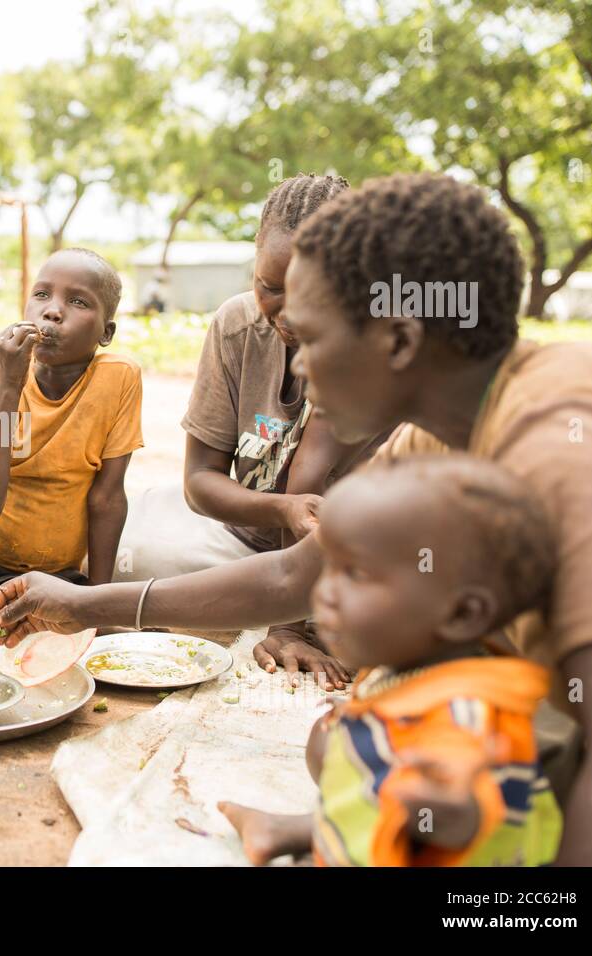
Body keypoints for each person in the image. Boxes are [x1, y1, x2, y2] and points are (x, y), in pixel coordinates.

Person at [0, 172, 592, 865]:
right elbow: (294, 574)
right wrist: (82, 604)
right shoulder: (437, 429)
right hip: (540, 729)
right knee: (352, 734)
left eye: (311, 339)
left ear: (399, 342)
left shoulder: (565, 434)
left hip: (584, 756)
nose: (298, 366)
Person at [218, 456, 562, 866]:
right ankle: (298, 832)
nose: (325, 592)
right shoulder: (405, 666)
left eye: (357, 575)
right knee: (334, 735)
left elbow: (461, 809)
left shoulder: (465, 712)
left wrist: (445, 806)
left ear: (462, 614)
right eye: (331, 569)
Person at [117, 174, 373, 690]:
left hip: (345, 555)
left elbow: (315, 475)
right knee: (141, 553)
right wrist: (279, 509)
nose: (287, 311)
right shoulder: (236, 327)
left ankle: (273, 614)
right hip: (242, 540)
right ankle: (264, 607)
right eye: (269, 287)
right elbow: (201, 482)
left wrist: (287, 622)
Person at [0, 248, 142, 639]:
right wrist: (9, 384)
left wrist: (98, 602)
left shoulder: (118, 379)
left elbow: (106, 497)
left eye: (77, 301)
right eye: (42, 295)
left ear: (106, 332)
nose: (53, 311)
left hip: (55, 567)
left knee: (52, 630)